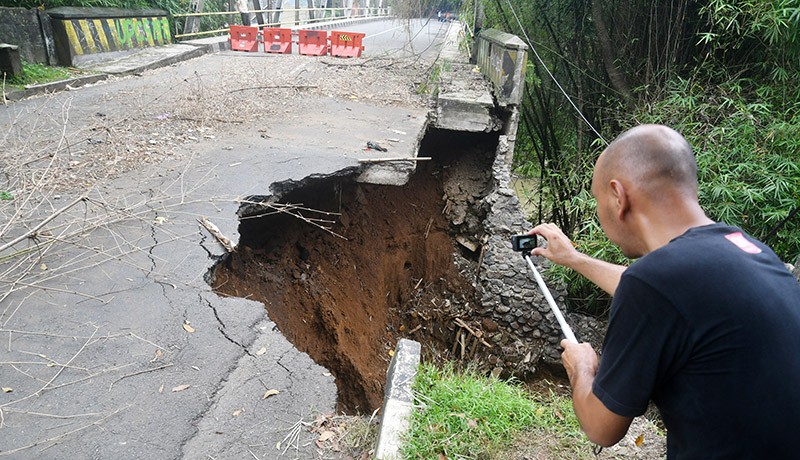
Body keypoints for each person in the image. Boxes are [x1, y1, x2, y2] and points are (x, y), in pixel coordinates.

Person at [528, 124, 800, 459]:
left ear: (618, 196)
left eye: (599, 201)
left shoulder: (654, 283)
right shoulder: (750, 251)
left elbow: (601, 426)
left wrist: (581, 367)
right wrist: (574, 259)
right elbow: (671, 295)